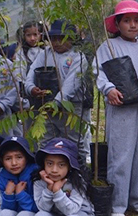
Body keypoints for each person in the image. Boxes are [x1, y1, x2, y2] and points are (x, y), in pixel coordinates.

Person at [96, 0, 138, 216]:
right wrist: (109, 89)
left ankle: (137, 200)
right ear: (118, 24)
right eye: (127, 21)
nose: (132, 25)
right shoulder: (108, 47)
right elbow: (99, 73)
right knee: (120, 155)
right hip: (121, 107)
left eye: (136, 21)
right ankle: (118, 204)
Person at [26, 20, 92, 160]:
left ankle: (77, 171)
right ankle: (47, 168)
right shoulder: (45, 54)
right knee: (46, 138)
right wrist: (31, 88)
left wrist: (56, 103)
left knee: (73, 139)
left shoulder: (78, 57)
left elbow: (72, 84)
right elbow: (31, 72)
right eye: (54, 39)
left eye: (62, 38)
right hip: (45, 105)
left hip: (71, 107)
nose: (57, 42)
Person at [32, 138, 95, 216]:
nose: (54, 170)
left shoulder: (76, 181)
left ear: (70, 166)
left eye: (61, 165)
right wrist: (50, 190)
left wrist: (57, 192)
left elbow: (71, 211)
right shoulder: (40, 182)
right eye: (50, 164)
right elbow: (42, 208)